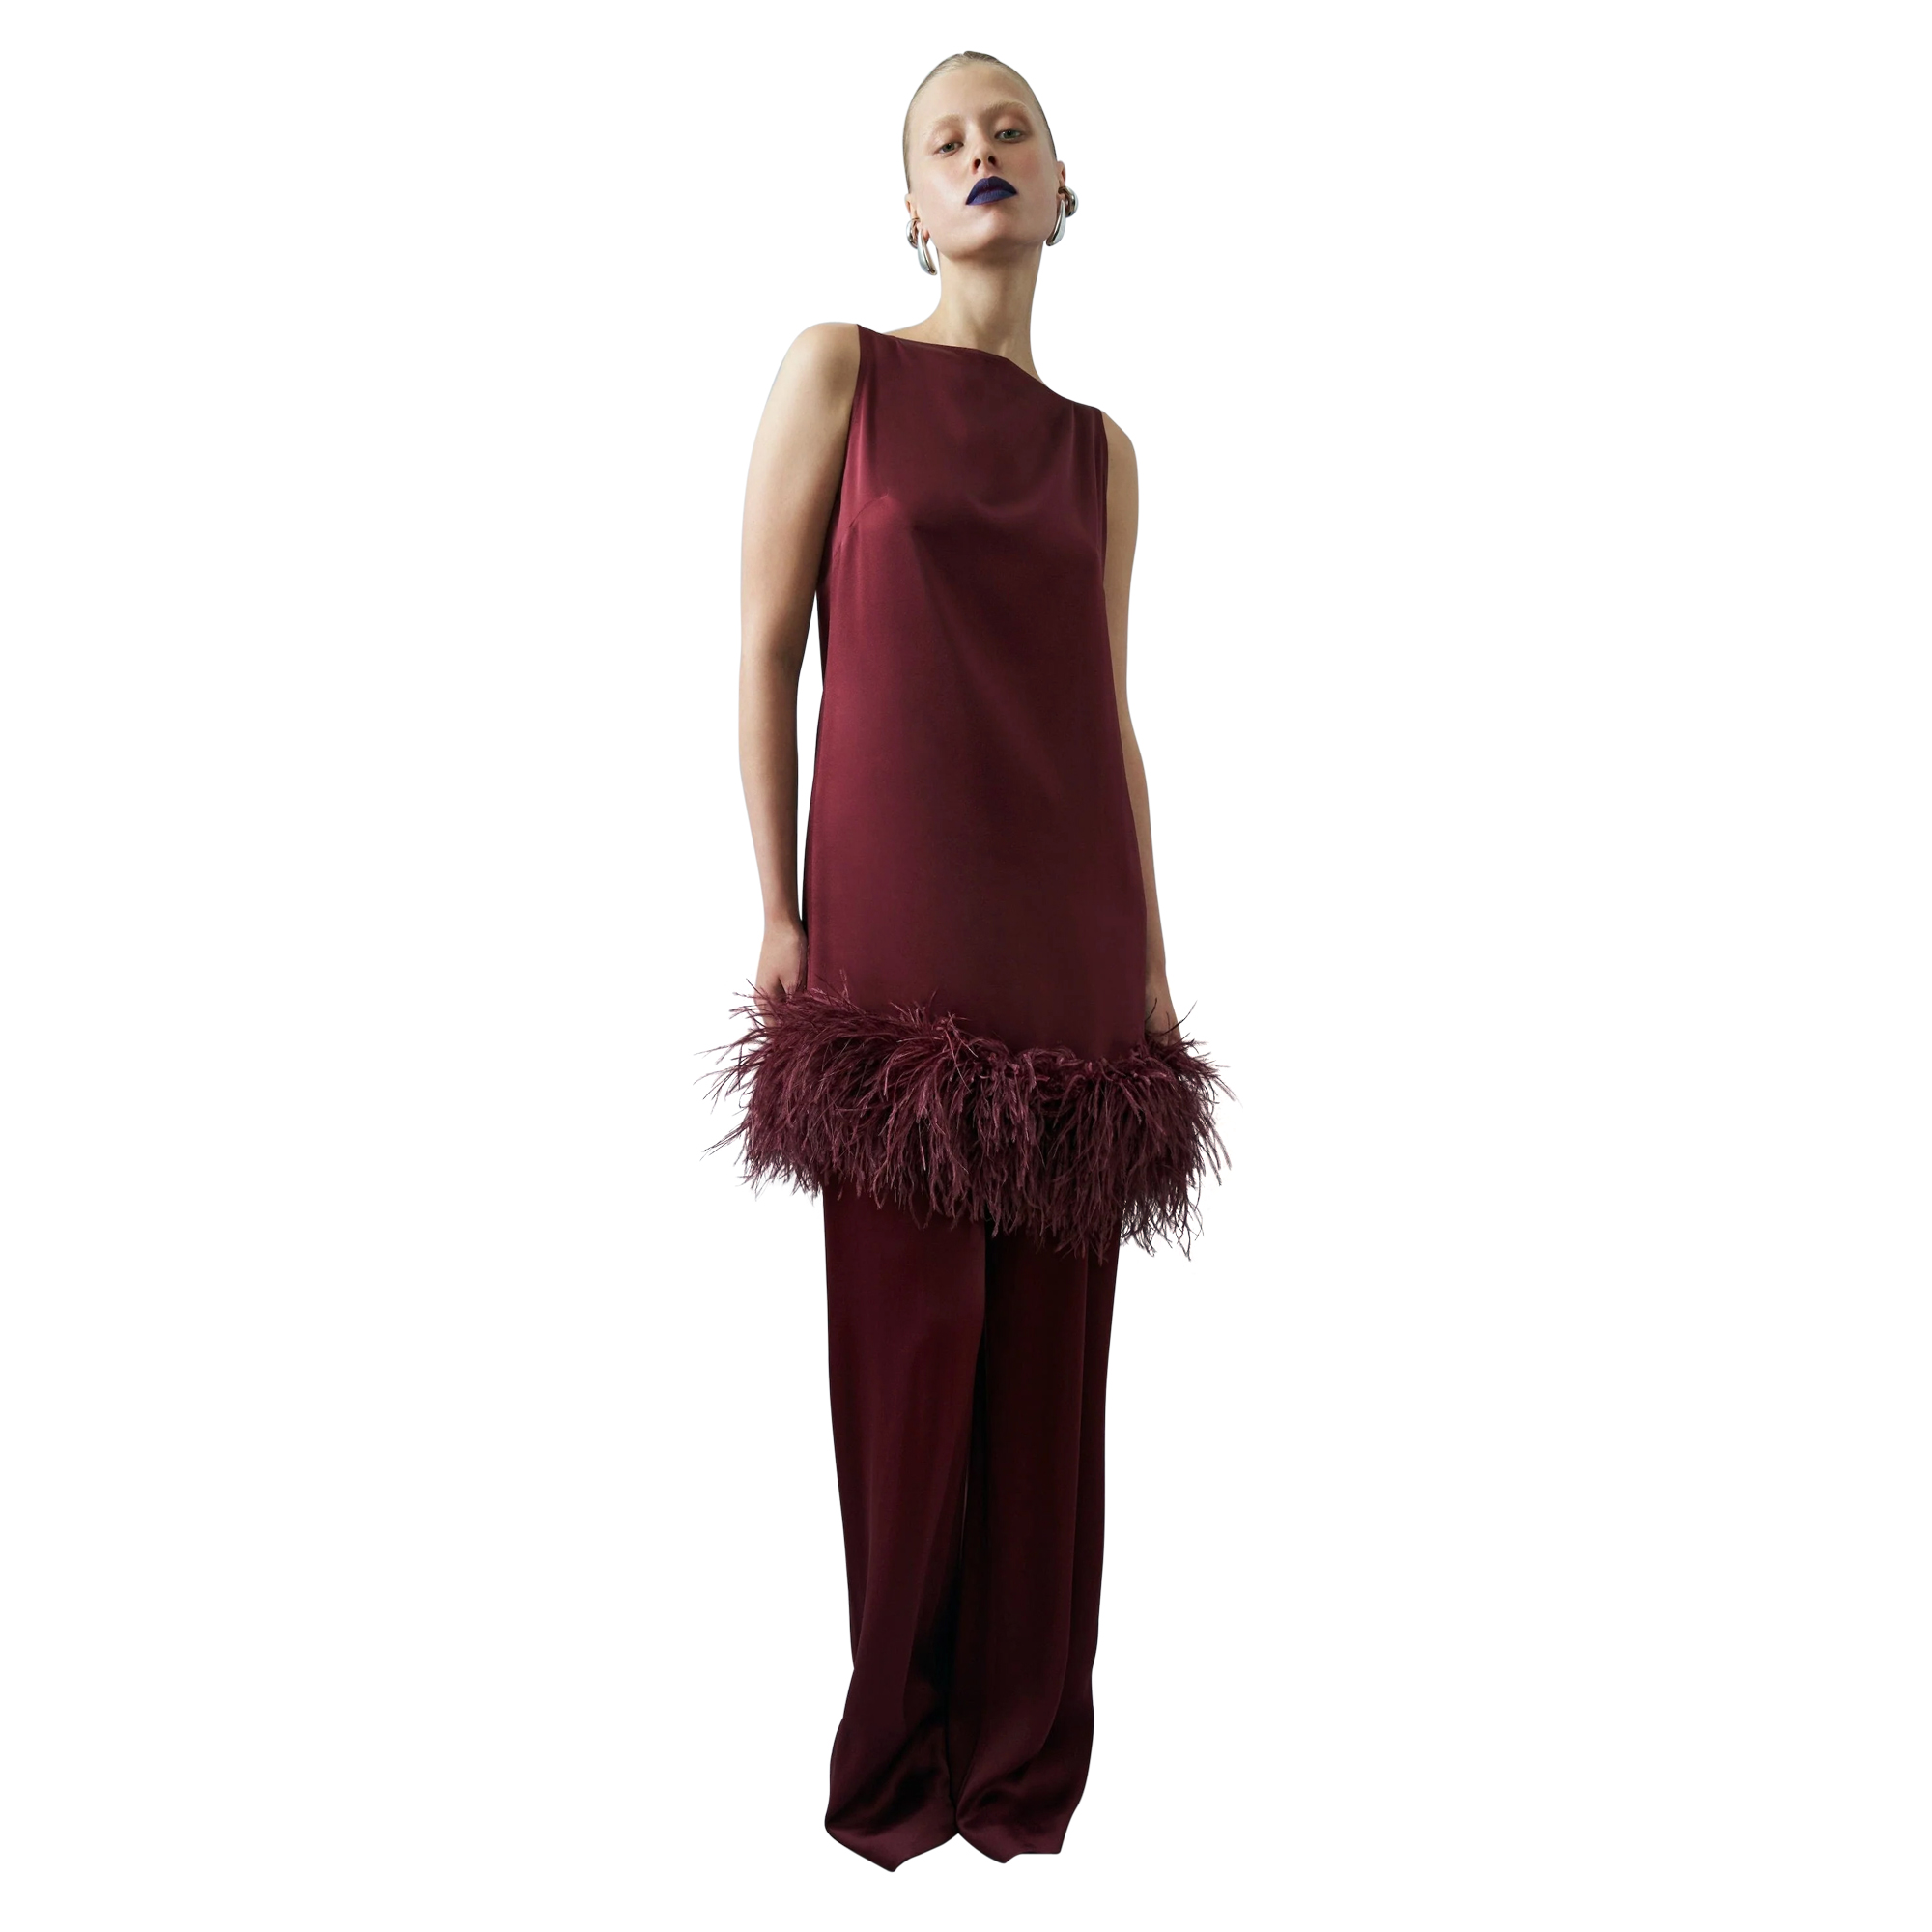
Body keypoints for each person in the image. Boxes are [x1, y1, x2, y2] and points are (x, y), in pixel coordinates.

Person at [707, 50, 1230, 1869]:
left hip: (1070, 926)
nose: (982, 152)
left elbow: (1108, 715)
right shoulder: (839, 372)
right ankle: (895, 1766)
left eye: (1012, 131)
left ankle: (1021, 1776)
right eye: (947, 139)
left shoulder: (1104, 454)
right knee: (910, 1358)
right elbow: (764, 645)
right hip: (898, 926)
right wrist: (778, 906)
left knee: (1049, 1385)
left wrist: (1149, 960)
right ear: (912, 208)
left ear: (1064, 190)